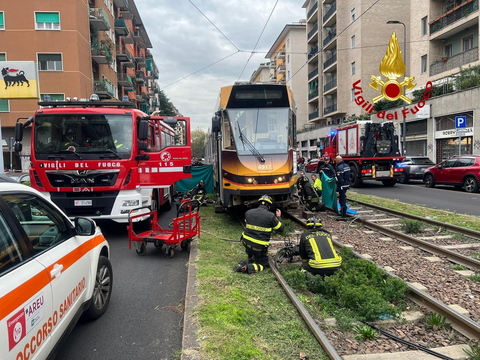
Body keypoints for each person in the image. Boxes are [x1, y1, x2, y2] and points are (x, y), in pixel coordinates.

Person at [234, 195, 283, 274]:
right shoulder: (271, 216)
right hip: (258, 247)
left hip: (245, 242)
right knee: (263, 265)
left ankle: (251, 256)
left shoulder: (248, 212)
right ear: (269, 206)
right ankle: (245, 268)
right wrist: (279, 217)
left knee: (251, 246)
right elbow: (280, 229)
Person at [335, 155, 351, 221]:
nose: (335, 161)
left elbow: (340, 178)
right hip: (347, 184)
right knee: (343, 197)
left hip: (342, 185)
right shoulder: (347, 166)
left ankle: (343, 215)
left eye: (336, 160)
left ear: (338, 160)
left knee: (342, 199)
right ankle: (343, 213)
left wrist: (339, 186)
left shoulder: (339, 167)